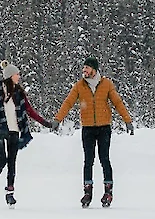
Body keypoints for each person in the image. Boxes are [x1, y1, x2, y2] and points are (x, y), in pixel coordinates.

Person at [54, 56, 133, 207]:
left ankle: (108, 192)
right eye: (83, 68)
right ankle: (87, 192)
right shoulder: (79, 86)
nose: (84, 70)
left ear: (94, 70)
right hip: (88, 128)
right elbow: (68, 102)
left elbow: (117, 102)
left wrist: (127, 120)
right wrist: (58, 119)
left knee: (104, 159)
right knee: (88, 161)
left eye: (87, 68)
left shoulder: (106, 84)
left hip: (104, 128)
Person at [0, 60, 50, 206]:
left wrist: (45, 123)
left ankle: (10, 192)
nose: (19, 77)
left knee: (12, 162)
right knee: (2, 160)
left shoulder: (19, 93)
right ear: (10, 76)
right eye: (17, 74)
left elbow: (29, 111)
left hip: (14, 130)